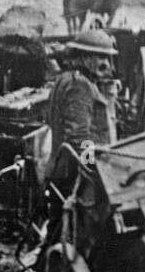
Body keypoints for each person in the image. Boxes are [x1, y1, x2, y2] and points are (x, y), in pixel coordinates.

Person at [45, 29, 118, 240]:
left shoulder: (65, 79)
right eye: (100, 57)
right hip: (75, 173)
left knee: (59, 228)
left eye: (107, 57)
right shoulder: (80, 86)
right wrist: (93, 170)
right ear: (84, 57)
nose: (105, 63)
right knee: (75, 233)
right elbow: (78, 137)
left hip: (62, 168)